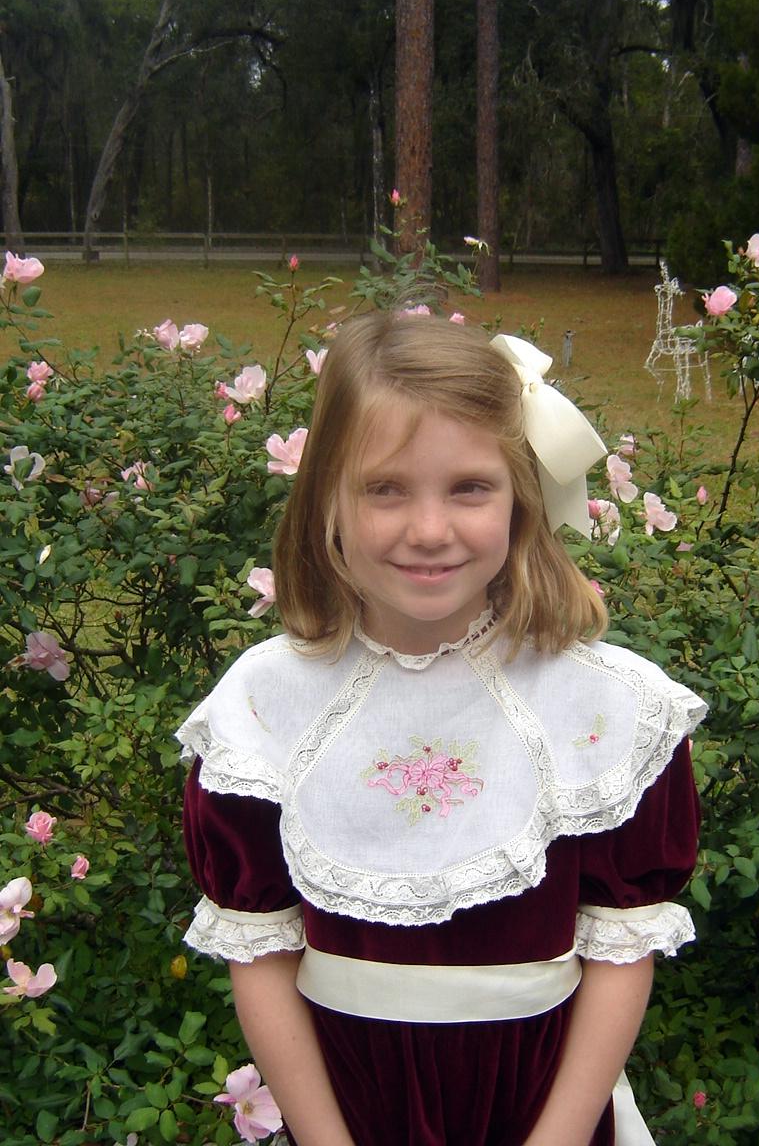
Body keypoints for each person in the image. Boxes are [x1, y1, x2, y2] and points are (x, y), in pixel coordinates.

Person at [178, 313, 706, 1146]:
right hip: (345, 1112)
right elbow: (261, 952)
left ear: (521, 496)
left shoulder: (605, 710)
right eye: (385, 488)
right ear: (329, 502)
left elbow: (620, 946)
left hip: (544, 1112)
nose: (429, 530)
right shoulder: (265, 707)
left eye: (469, 487)